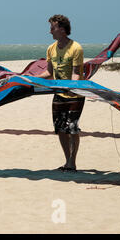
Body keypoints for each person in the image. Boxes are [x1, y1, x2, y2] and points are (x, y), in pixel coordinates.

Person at [34, 15, 85, 172]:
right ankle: (67, 161)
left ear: (62, 30)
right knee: (60, 129)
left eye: (52, 28)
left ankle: (72, 162)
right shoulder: (51, 49)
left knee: (72, 128)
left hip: (75, 94)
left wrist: (70, 87)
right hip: (58, 94)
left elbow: (76, 74)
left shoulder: (76, 48)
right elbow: (49, 72)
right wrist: (31, 79)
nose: (50, 31)